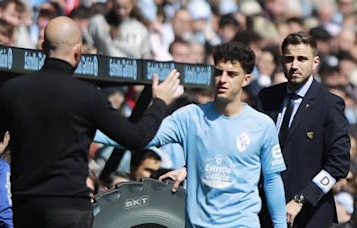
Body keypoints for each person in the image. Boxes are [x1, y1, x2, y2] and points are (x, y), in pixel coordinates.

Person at [0, 16, 182, 228]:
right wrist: (160, 102)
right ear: (78, 51)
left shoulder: (12, 91)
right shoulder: (88, 95)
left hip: (27, 207)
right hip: (70, 209)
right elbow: (136, 138)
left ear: (43, 48)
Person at [96, 41, 287, 227]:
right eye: (219, 72)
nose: (223, 79)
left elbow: (272, 180)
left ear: (246, 79)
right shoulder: (190, 117)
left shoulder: (262, 125)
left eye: (232, 74)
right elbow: (138, 137)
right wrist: (87, 132)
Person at [257, 32, 350, 227]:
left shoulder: (329, 105)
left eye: (302, 59)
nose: (295, 65)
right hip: (264, 211)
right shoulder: (266, 98)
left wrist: (302, 199)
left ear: (315, 62)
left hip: (309, 216)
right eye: (289, 59)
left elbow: (338, 164)